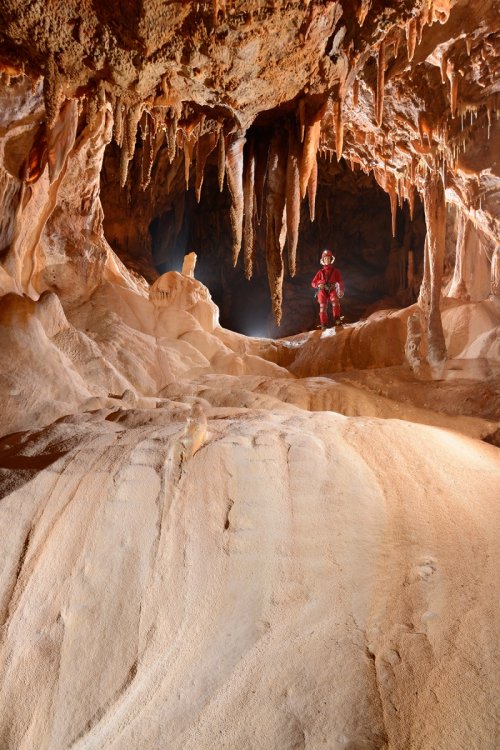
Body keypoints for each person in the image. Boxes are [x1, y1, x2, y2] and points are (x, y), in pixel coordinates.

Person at [311, 249, 345, 329]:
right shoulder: (320, 272)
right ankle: (324, 324)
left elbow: (340, 281)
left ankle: (337, 319)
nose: (327, 260)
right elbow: (313, 283)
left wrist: (341, 290)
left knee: (335, 301)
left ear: (331, 259)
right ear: (323, 260)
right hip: (323, 290)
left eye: (328, 258)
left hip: (332, 289)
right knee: (322, 306)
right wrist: (318, 284)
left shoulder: (335, 271)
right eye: (325, 258)